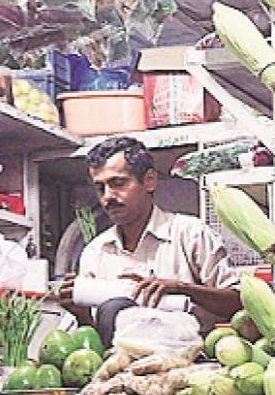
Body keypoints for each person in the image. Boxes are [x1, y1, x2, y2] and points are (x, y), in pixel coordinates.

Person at [58, 135, 243, 331]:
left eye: (118, 183)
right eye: (100, 188)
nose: (107, 197)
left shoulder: (190, 234)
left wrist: (182, 288)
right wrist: (81, 314)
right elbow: (93, 333)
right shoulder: (95, 252)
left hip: (190, 356)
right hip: (121, 359)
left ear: (149, 181)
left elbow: (238, 302)